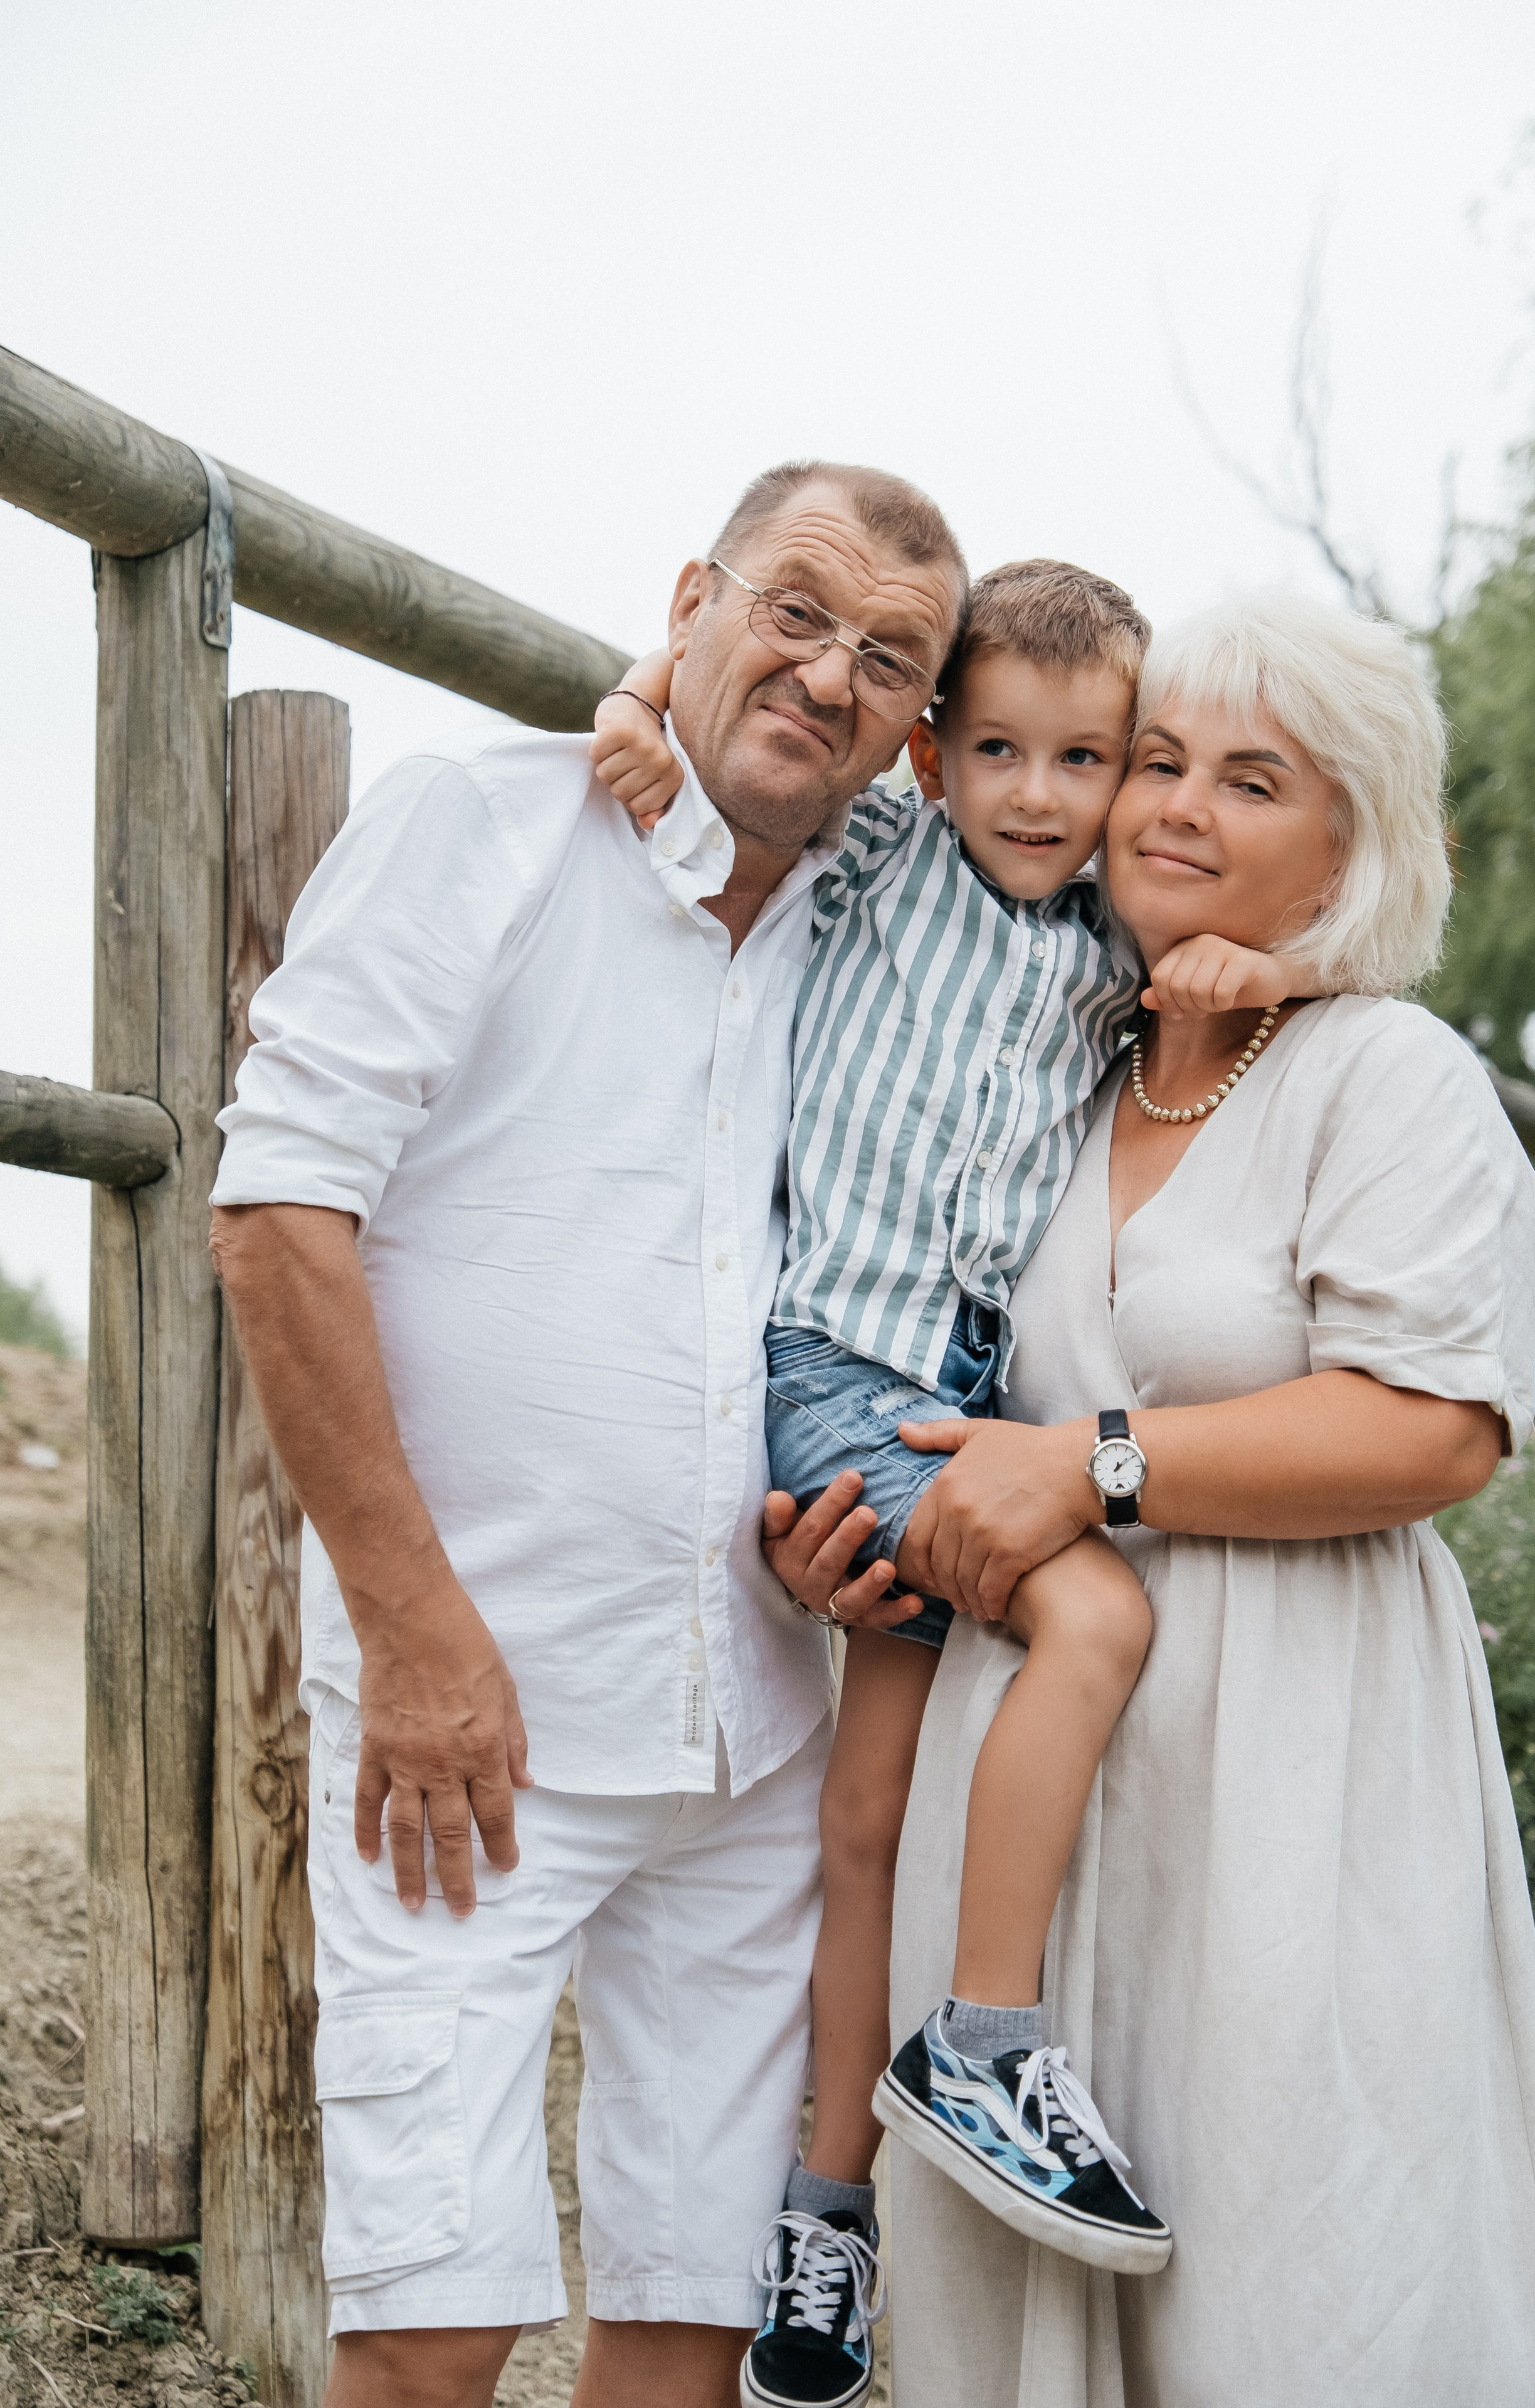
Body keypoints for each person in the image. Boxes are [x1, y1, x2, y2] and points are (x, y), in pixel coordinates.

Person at [776, 594, 1535, 2405]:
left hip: (1298, 1766)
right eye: (1158, 761)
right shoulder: (1062, 1066)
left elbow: (1439, 1432)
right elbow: (931, 1382)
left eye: (1252, 779)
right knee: (1029, 2314)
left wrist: (1093, 1463)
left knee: (1297, 2281)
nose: (1174, 806)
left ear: (1351, 848)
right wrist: (859, 1535)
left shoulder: (1384, 1073)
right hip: (1030, 1772)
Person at [206, 460, 967, 2408]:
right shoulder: (484, 826)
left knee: (690, 2317)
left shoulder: (882, 930)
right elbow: (278, 1213)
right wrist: (414, 1633)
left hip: (753, 1729)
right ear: (689, 601)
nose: (830, 675)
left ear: (915, 724)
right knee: (433, 2321)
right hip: (468, 1722)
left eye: (890, 659)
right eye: (795, 612)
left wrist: (812, 1518)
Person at [592, 565, 1303, 2408]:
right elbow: (739, 727)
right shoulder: (887, 859)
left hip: (971, 1409)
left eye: (1087, 758)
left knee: (870, 1815)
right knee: (1097, 1612)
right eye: (998, 751)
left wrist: (1271, 969)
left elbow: (1294, 937)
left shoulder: (1113, 946)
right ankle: (982, 2042)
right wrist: (637, 695)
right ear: (932, 751)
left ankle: (825, 2222)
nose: (1041, 797)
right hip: (838, 1377)